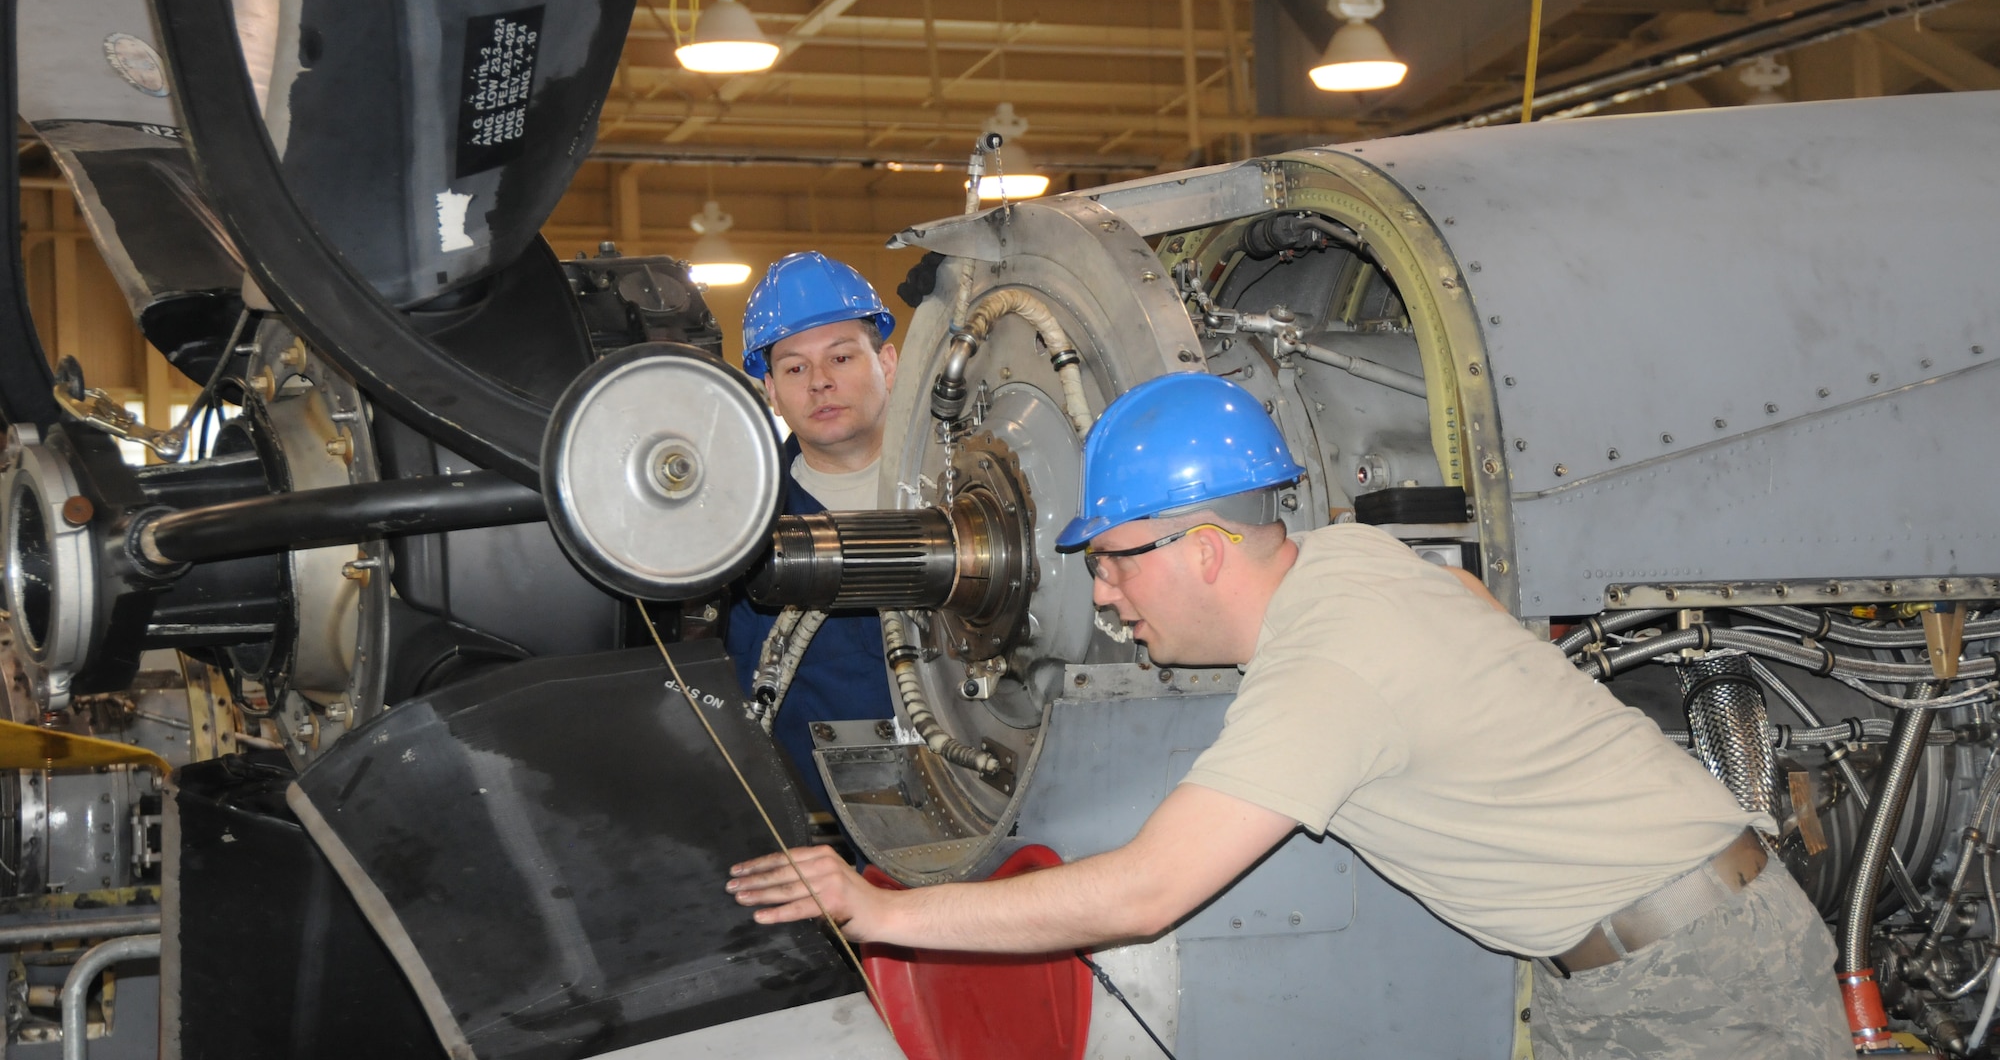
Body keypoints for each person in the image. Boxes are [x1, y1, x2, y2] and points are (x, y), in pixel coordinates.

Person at [726, 371, 1852, 1059]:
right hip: (1638, 957)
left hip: (1691, 983)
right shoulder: (1349, 557)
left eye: (1113, 564)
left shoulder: (1324, 675)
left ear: (1204, 547)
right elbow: (1462, 598)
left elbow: (1144, 889)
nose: (1103, 595)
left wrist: (876, 910)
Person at [725, 251, 899, 806]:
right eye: (794, 368)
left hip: (989, 814)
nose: (820, 382)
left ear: (888, 364)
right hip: (817, 842)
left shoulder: (970, 497)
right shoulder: (740, 532)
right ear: (771, 391)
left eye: (842, 357)